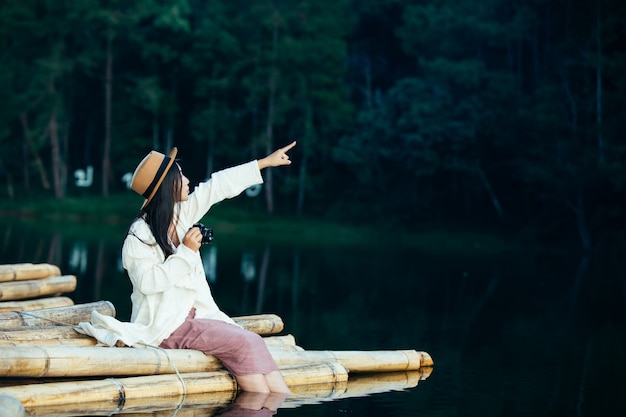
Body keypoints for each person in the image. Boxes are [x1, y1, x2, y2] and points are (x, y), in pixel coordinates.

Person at [78, 141, 296, 395]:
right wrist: (187, 252)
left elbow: (217, 187)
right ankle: (263, 407)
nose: (188, 180)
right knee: (244, 341)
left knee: (252, 341)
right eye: (181, 176)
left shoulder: (180, 215)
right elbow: (148, 283)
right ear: (168, 186)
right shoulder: (138, 236)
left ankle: (276, 403)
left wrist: (264, 163)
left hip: (197, 317)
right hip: (168, 325)